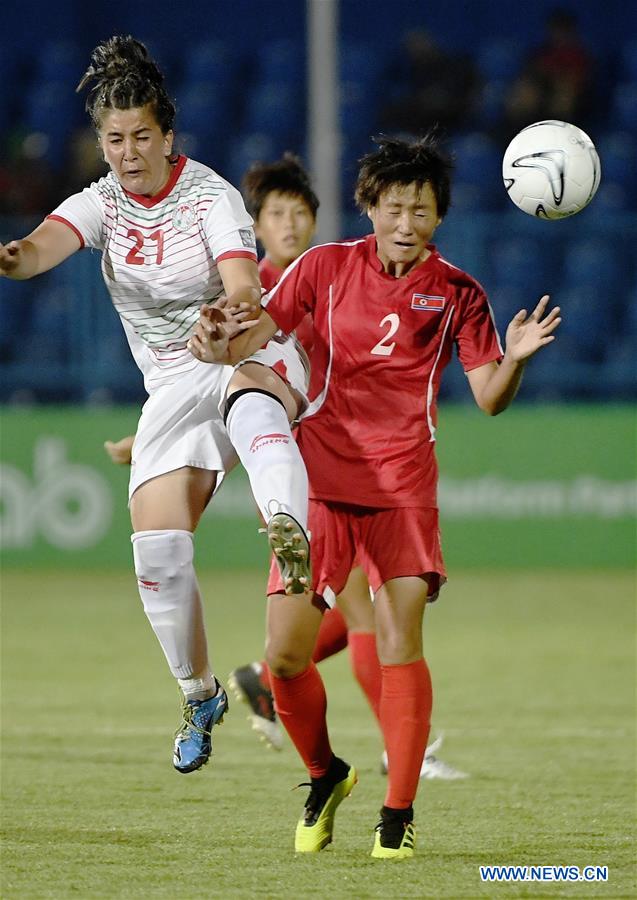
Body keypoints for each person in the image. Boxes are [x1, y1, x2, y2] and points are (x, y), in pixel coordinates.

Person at [190, 134, 561, 859]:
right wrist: (223, 338)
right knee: (286, 656)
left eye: (420, 210)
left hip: (402, 492)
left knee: (398, 645)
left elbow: (487, 397)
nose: (405, 222)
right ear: (369, 207)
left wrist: (511, 363)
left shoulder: (457, 292)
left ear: (438, 217)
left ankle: (397, 817)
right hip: (320, 486)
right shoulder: (325, 269)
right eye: (393, 207)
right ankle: (324, 775)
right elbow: (262, 330)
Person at [0, 36, 313, 777]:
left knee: (249, 390)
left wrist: (228, 318)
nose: (129, 150)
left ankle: (285, 522)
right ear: (101, 144)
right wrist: (10, 256)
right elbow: (39, 250)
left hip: (239, 346)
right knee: (159, 554)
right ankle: (199, 695)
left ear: (168, 136)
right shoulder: (100, 203)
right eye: (114, 139)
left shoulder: (209, 195)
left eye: (143, 135)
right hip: (171, 387)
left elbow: (242, 284)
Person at [104, 152, 465, 779]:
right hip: (310, 472)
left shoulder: (325, 276)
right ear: (255, 227)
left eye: (302, 214)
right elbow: (218, 381)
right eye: (278, 214)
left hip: (323, 456)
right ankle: (397, 751)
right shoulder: (252, 292)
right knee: (361, 619)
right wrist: (153, 439)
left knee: (338, 619)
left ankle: (264, 681)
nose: (292, 225)